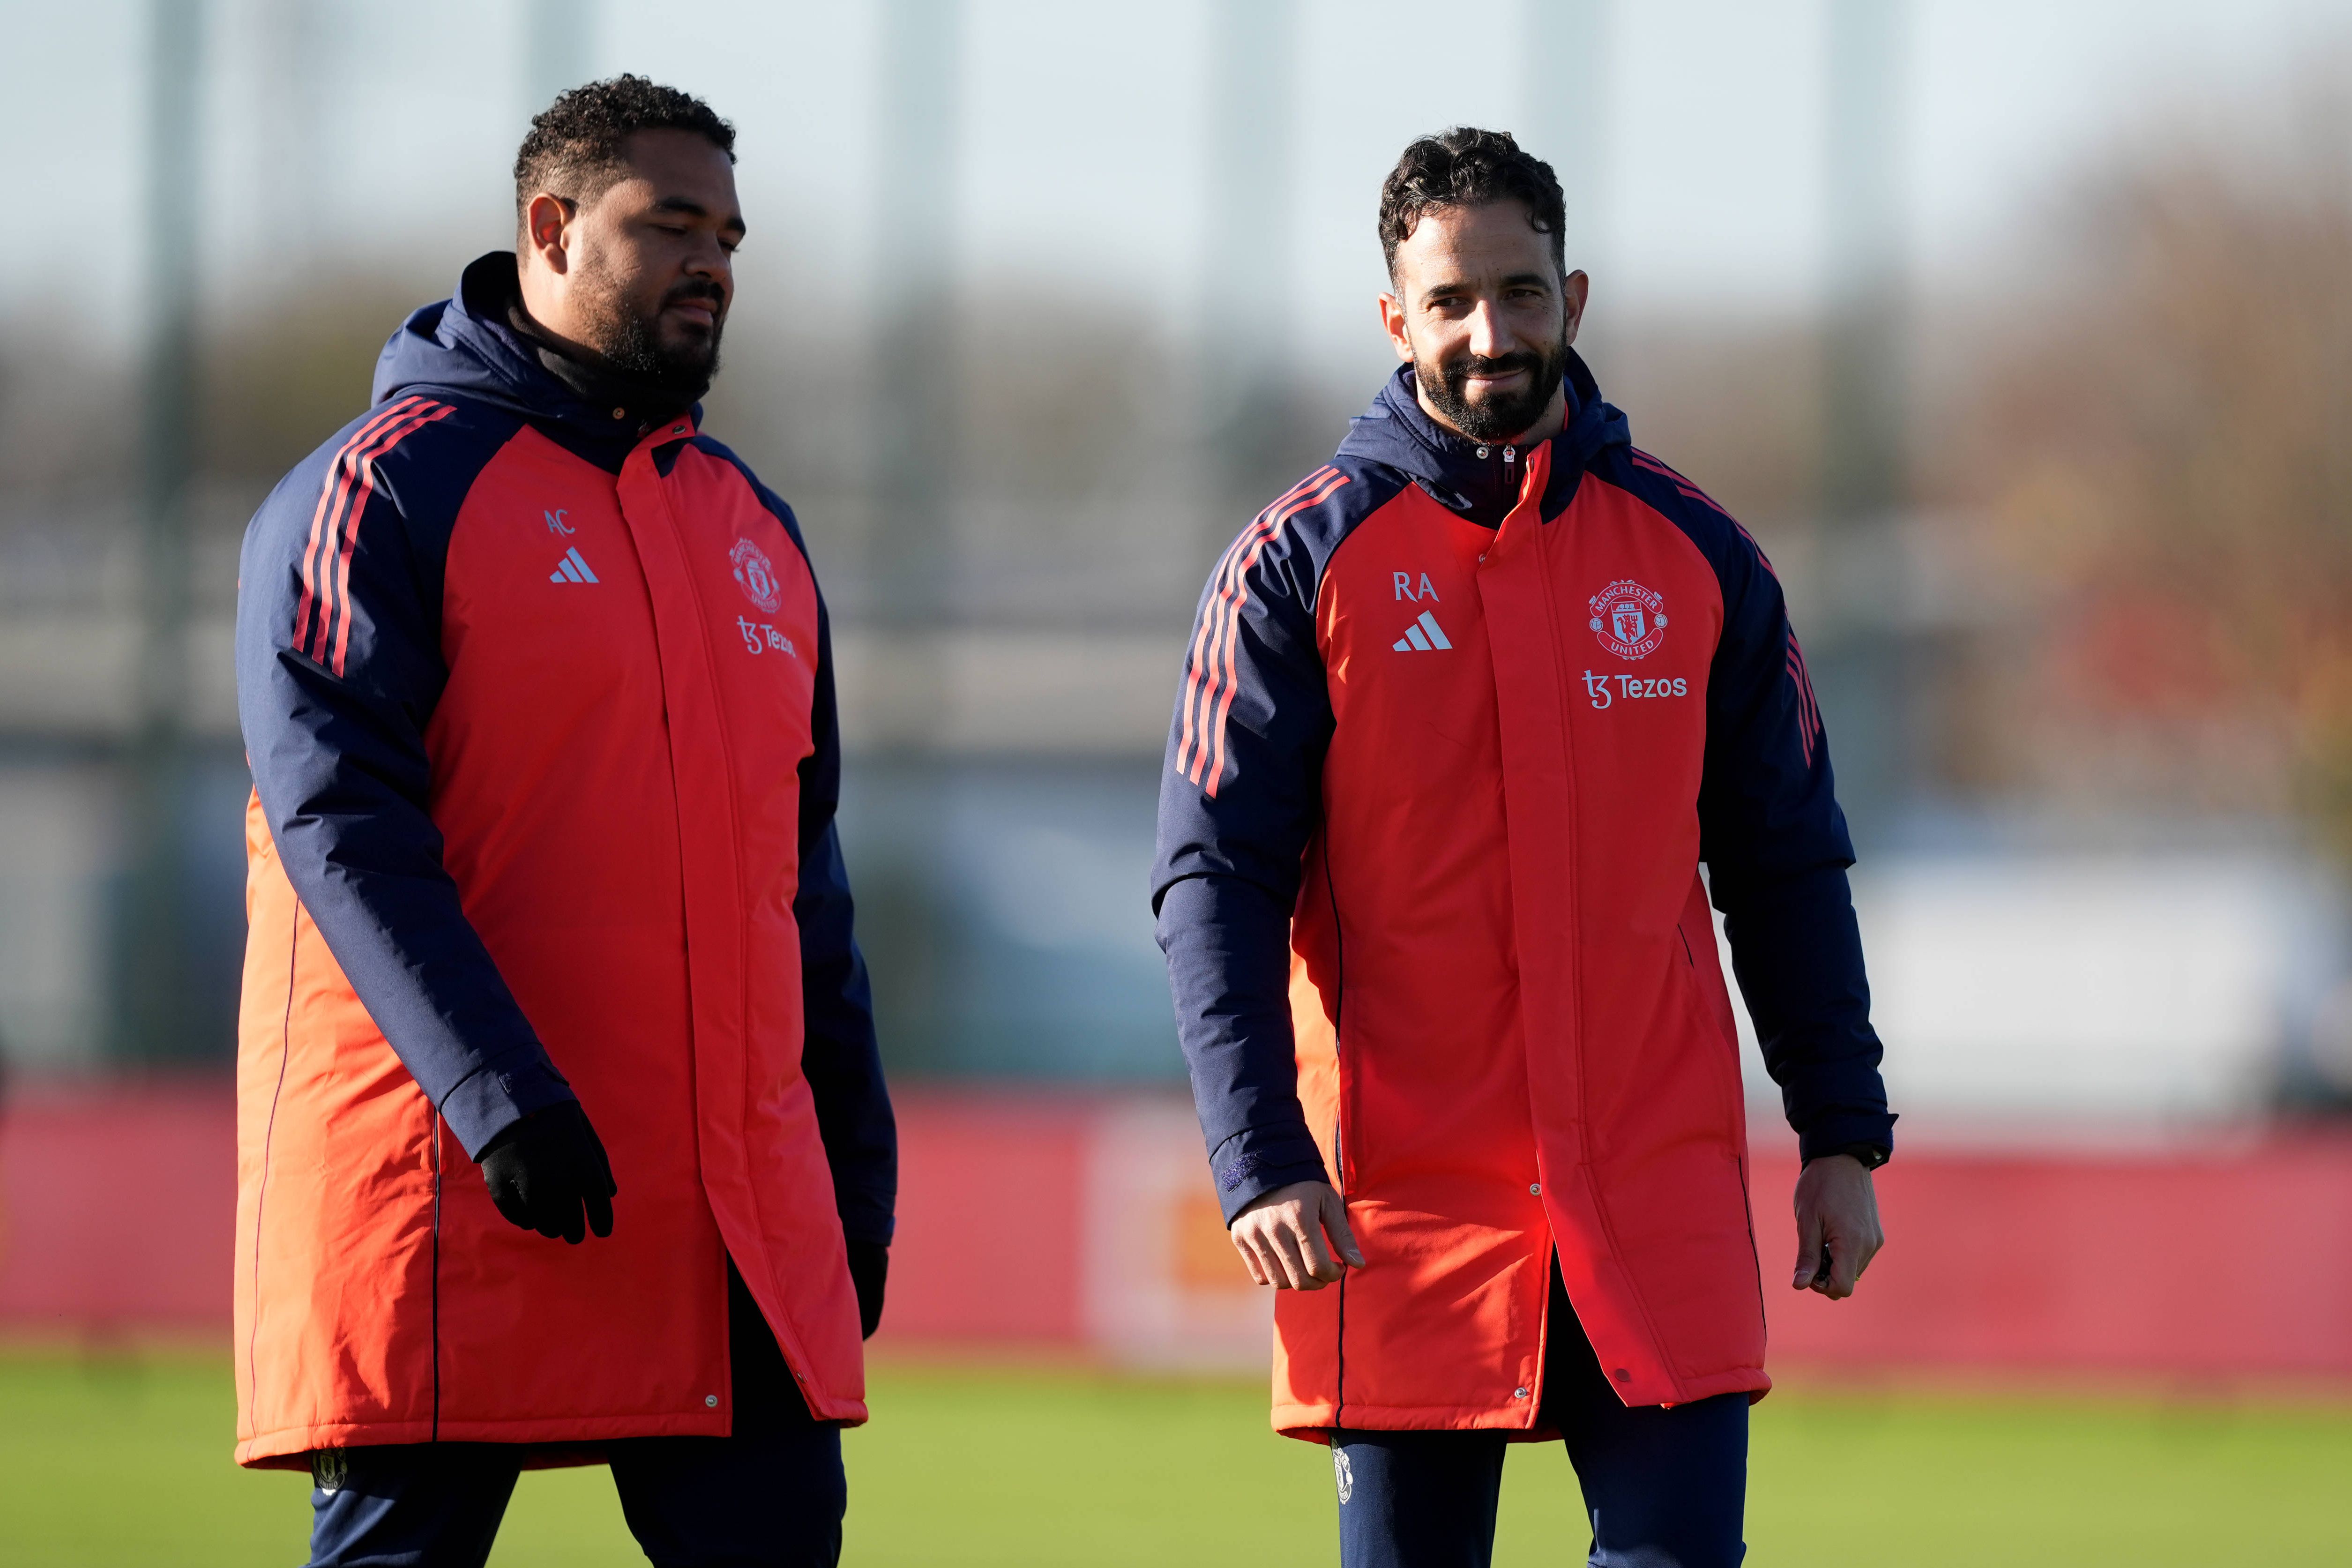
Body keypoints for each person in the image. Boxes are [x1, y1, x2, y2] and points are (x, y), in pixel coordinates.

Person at [1152, 127, 1895, 1568]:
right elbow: (1211, 884)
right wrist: (1259, 1158)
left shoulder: (1698, 555)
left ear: (1574, 297)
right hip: (1395, 1216)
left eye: (1520, 292)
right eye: (1450, 301)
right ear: (1394, 318)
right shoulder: (1293, 564)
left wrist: (1840, 1132)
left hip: (1656, 1204)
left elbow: (1787, 868)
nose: (1489, 333)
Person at [232, 77, 892, 1567]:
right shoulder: (380, 490)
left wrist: (853, 1169)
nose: (711, 262)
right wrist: (498, 1093)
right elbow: (343, 826)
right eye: (671, 225)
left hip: (725, 1225)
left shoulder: (753, 528)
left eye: (728, 235)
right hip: (456, 1183)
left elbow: (801, 886)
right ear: (550, 229)